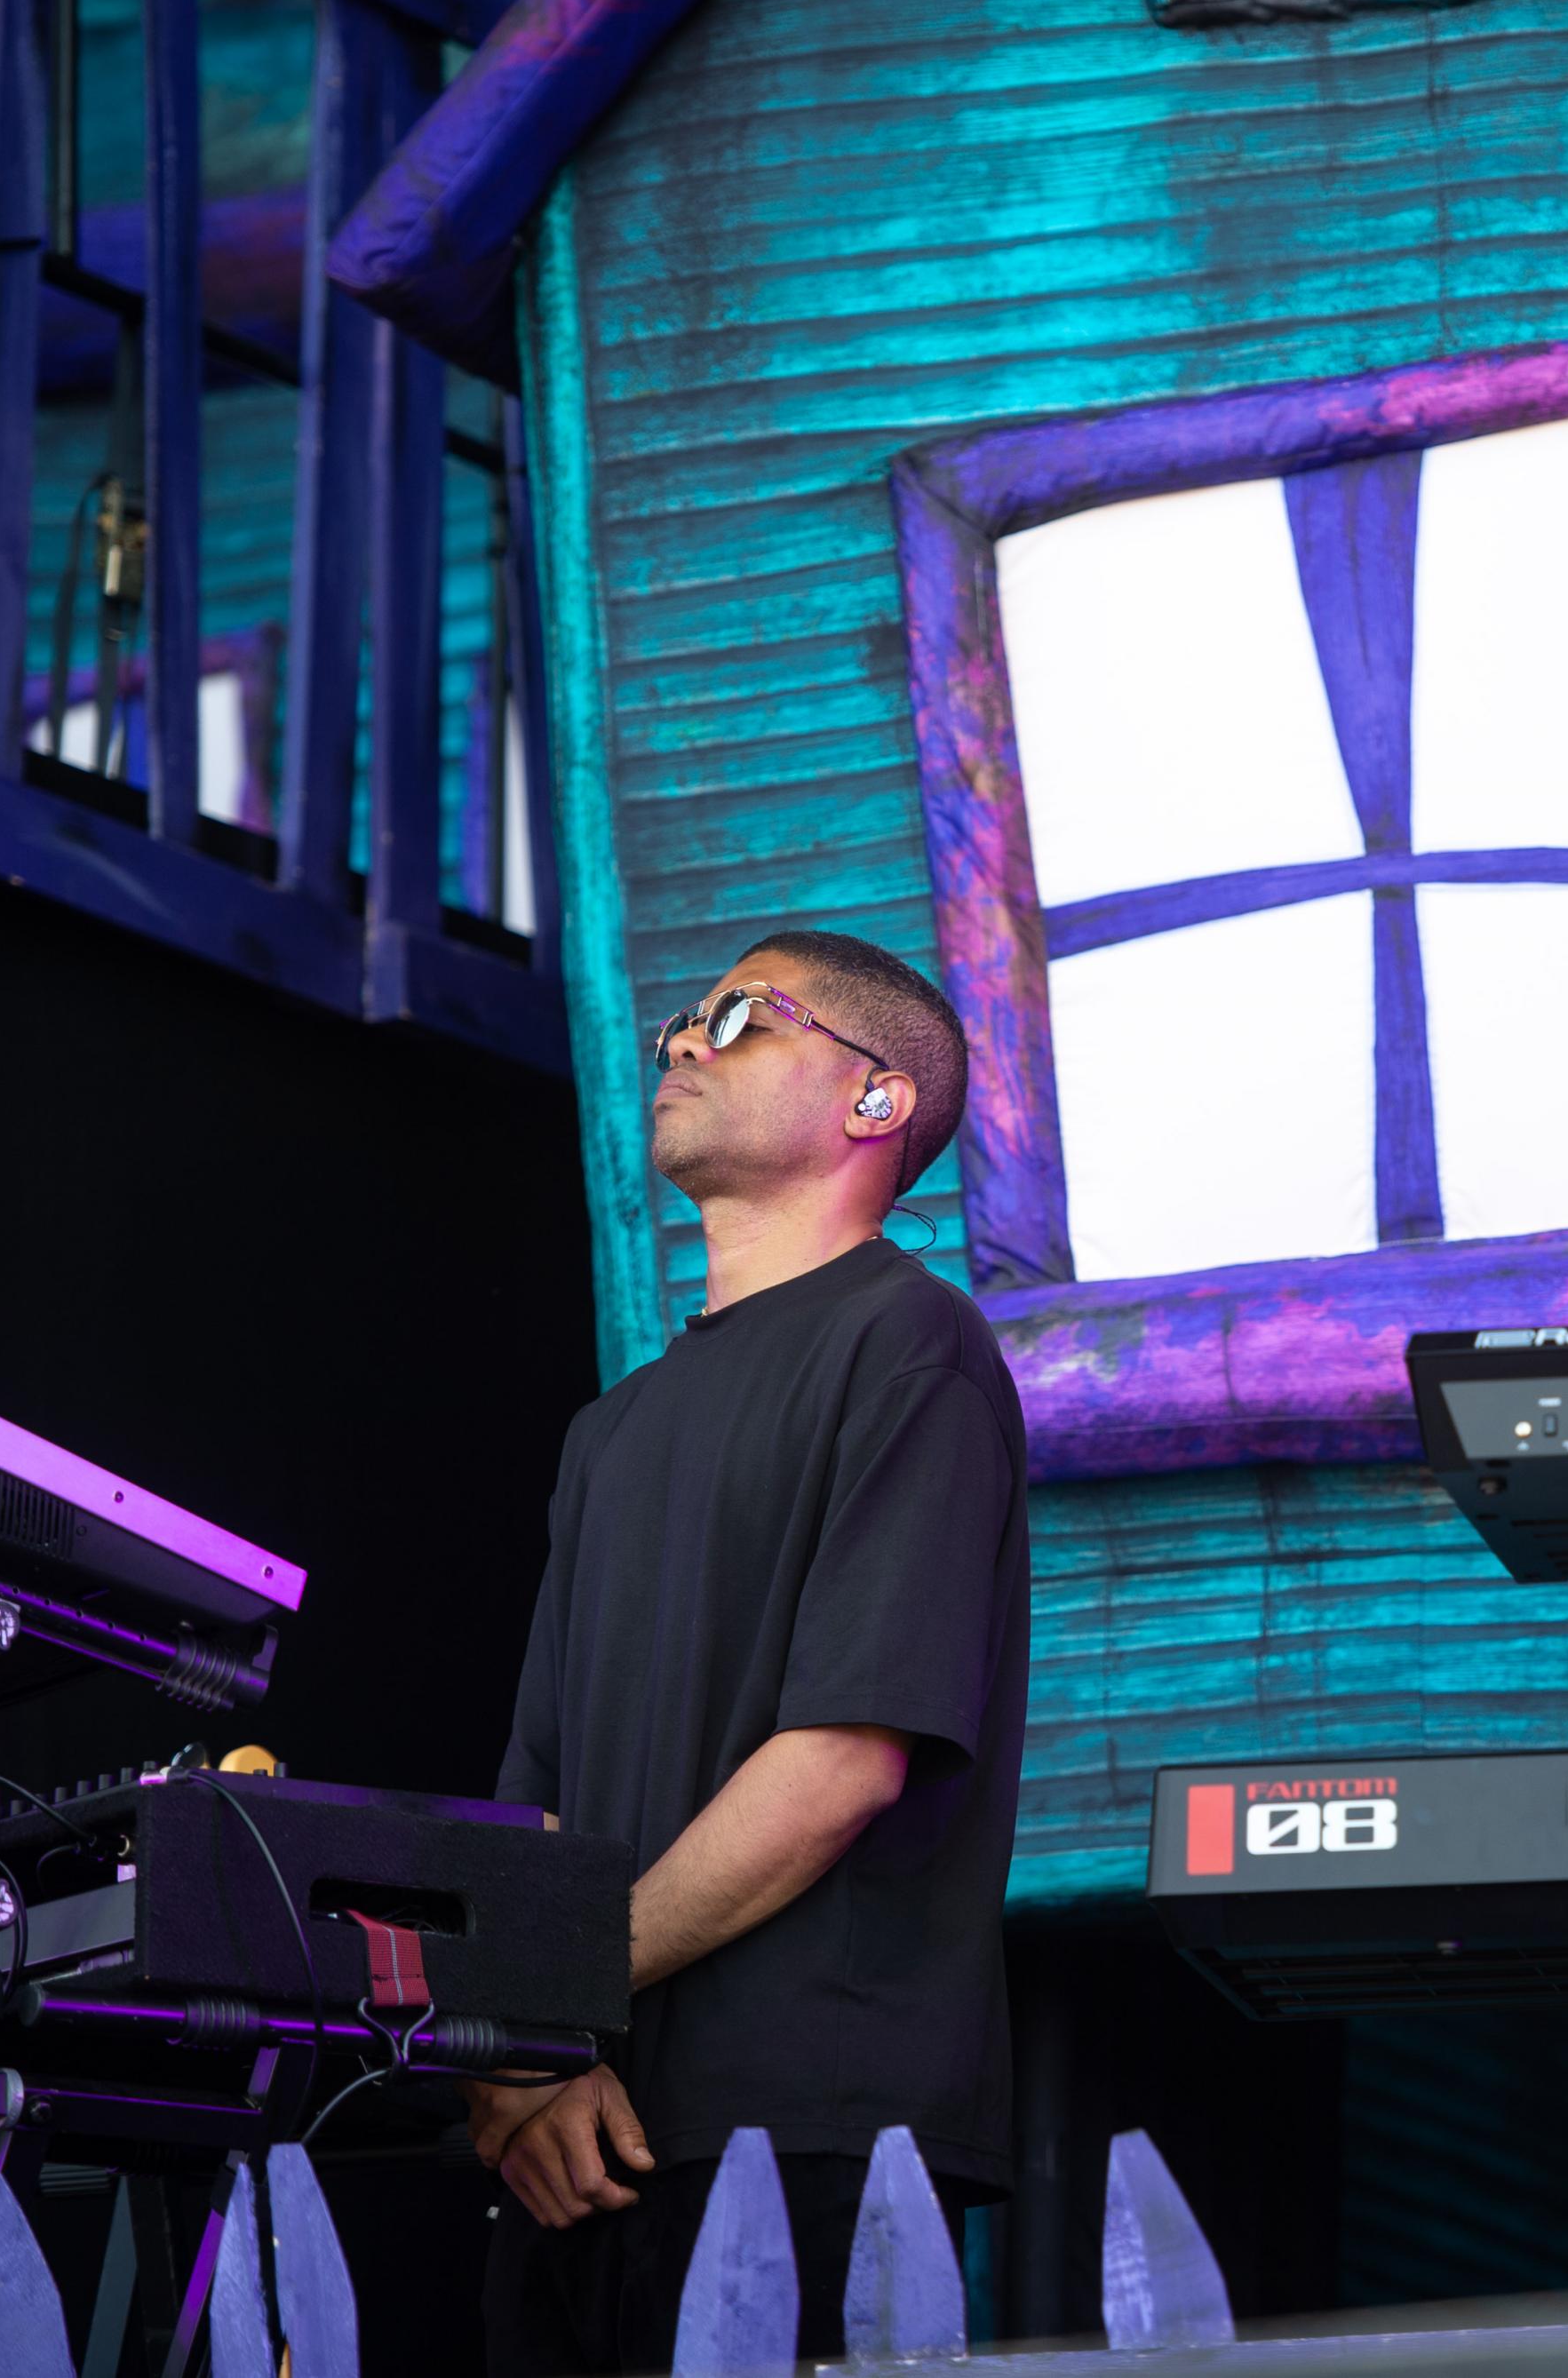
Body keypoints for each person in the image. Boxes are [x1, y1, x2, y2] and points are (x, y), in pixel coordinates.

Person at [474, 930, 1031, 2374]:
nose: (681, 1042)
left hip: (807, 2131)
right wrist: (523, 2064)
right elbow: (536, 1802)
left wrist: (554, 2002)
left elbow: (843, 1760)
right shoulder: (608, 1430)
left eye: (739, 1017)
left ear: (874, 1099)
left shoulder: (914, 1343)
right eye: (681, 1019)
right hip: (579, 2136)